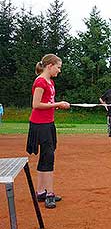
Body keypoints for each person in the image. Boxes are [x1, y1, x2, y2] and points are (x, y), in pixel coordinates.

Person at [26, 54, 70, 209]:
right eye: (58, 67)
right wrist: (58, 103)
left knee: (46, 157)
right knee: (48, 158)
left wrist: (56, 105)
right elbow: (36, 104)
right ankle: (49, 193)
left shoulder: (50, 82)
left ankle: (40, 192)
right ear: (50, 66)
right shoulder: (40, 81)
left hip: (48, 124)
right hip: (40, 125)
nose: (59, 70)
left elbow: (48, 103)